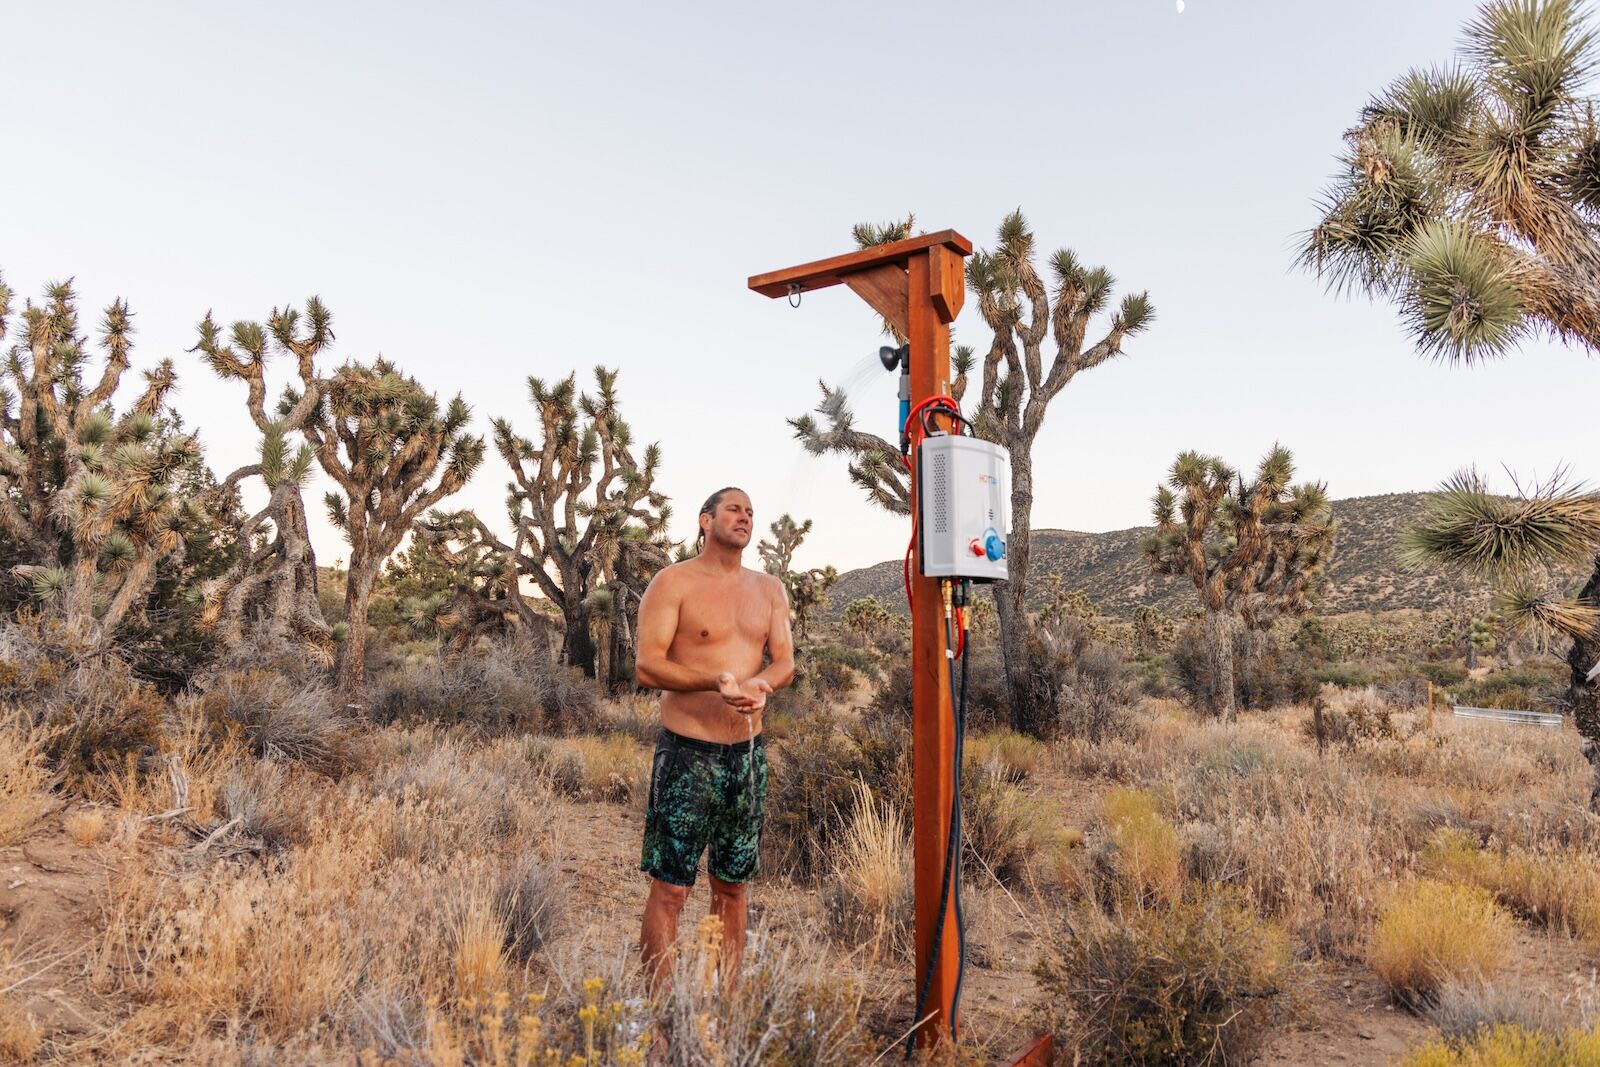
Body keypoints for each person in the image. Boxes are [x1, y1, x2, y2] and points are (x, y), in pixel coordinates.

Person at [634, 486, 794, 994]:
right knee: (672, 889)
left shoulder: (769, 589)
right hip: (687, 754)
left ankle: (728, 1010)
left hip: (747, 758)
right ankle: (661, 1019)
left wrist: (760, 684)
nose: (745, 516)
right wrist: (715, 683)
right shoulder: (674, 581)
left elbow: (785, 661)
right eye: (734, 508)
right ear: (705, 520)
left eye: (751, 510)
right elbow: (647, 665)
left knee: (733, 889)